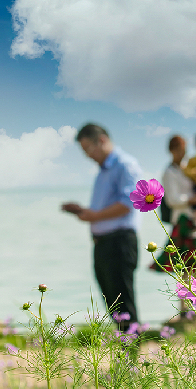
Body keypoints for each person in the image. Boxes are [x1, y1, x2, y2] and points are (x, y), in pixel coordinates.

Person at [61, 123, 142, 332]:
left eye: (88, 149)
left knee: (124, 304)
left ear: (102, 141)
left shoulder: (125, 164)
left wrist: (94, 216)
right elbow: (106, 207)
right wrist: (84, 211)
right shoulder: (104, 170)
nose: (87, 155)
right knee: (112, 304)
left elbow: (128, 203)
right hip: (104, 243)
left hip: (119, 242)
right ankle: (126, 346)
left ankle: (132, 348)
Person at [151, 135, 196, 272]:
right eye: (179, 150)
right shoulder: (169, 172)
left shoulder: (186, 169)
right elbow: (172, 200)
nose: (182, 153)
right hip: (182, 219)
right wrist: (195, 199)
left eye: (184, 150)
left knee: (195, 265)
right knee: (184, 265)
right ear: (171, 150)